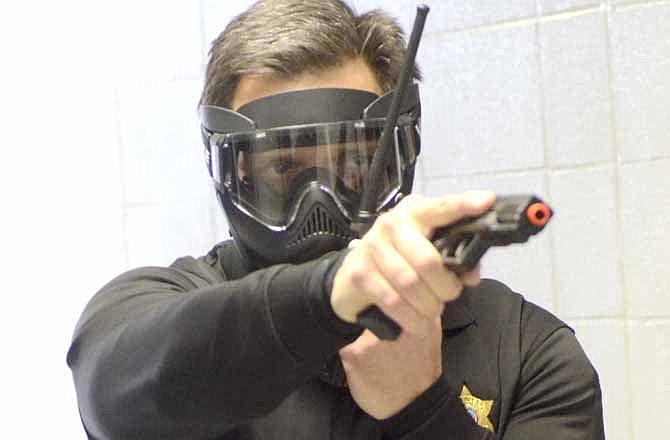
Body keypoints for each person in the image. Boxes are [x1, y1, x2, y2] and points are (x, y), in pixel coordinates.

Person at [67, 1, 605, 439]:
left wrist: (419, 410)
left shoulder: (527, 353)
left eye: (354, 165)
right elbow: (112, 386)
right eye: (282, 169)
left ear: (401, 153)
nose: (319, 205)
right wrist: (333, 295)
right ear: (226, 171)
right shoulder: (160, 310)